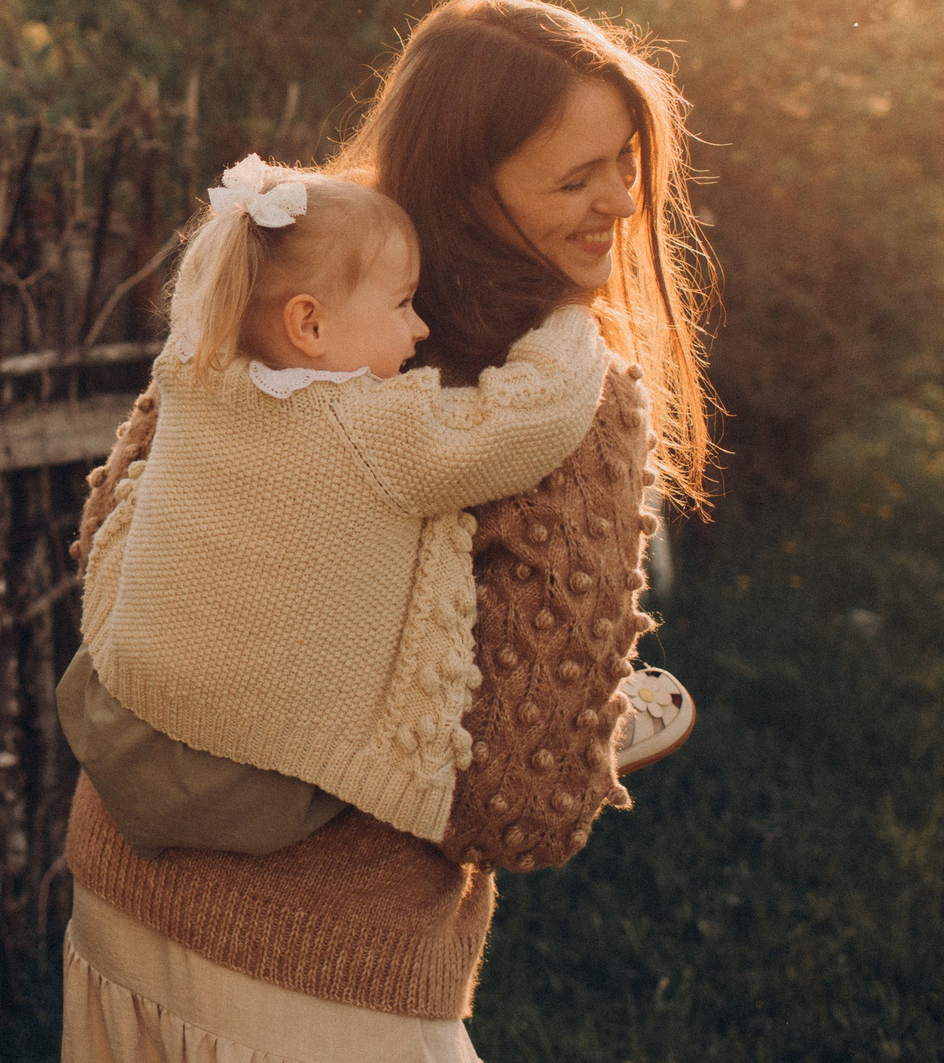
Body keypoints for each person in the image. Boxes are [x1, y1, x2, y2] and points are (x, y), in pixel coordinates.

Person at [59, 0, 716, 1063]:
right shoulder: (553, 384)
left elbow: (116, 541)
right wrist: (592, 729)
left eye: (627, 164)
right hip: (323, 976)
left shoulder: (279, 297)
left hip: (116, 897)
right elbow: (526, 798)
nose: (620, 202)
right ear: (471, 184)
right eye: (576, 176)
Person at [61, 159, 622, 858]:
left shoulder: (191, 374)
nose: (421, 327)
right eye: (403, 303)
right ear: (309, 323)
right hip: (253, 775)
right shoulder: (373, 432)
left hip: (116, 709)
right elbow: (528, 419)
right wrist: (572, 316)